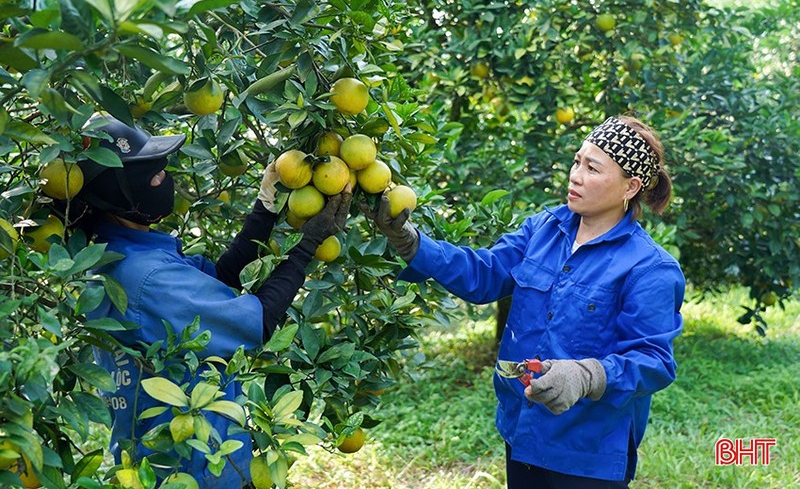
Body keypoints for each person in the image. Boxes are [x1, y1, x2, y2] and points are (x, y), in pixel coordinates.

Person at [365, 115, 684, 488]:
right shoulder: (544, 229)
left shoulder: (650, 267)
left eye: (593, 168)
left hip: (586, 452)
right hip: (522, 430)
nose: (576, 175)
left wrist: (587, 375)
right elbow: (484, 275)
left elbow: (654, 361)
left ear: (630, 186)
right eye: (577, 161)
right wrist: (412, 243)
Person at [76, 116, 351, 488]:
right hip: (196, 469)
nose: (165, 179)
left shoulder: (119, 255)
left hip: (174, 461)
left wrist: (265, 208)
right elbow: (259, 320)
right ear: (120, 192)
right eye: (155, 174)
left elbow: (218, 281)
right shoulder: (149, 278)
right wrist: (306, 247)